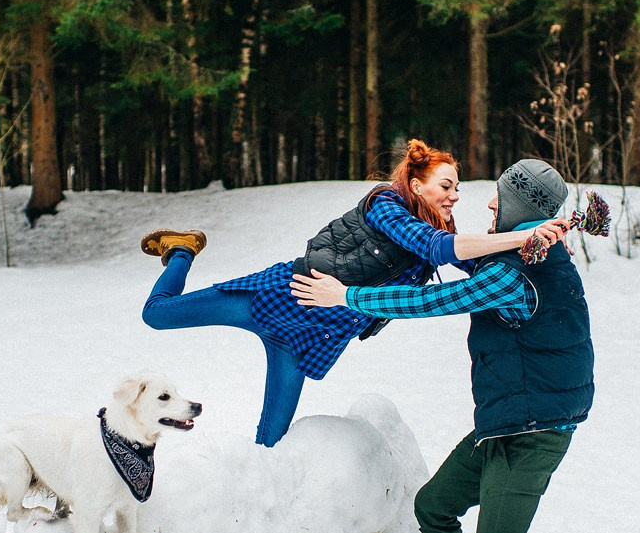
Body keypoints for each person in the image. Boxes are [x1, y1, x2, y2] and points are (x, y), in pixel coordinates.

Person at [289, 158, 625, 533]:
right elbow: (458, 265)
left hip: (534, 430)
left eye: (499, 200)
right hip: (507, 419)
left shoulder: (517, 271)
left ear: (520, 211)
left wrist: (346, 297)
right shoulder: (527, 248)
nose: (488, 205)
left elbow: (434, 301)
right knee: (435, 506)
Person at [138, 139, 568, 447]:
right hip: (281, 297)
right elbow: (438, 248)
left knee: (271, 441)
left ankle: (257, 519)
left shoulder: (439, 230)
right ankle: (182, 248)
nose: (455, 196)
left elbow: (480, 266)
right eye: (446, 186)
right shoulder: (387, 205)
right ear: (416, 185)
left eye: (457, 188)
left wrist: (540, 241)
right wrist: (516, 239)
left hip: (309, 336)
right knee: (157, 315)